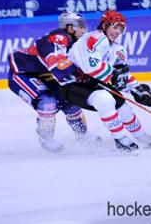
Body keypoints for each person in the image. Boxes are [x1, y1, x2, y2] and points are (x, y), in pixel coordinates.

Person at [62, 11, 151, 151]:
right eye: (114, 26)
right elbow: (91, 68)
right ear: (105, 25)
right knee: (105, 99)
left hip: (94, 83)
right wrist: (115, 75)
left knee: (123, 106)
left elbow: (121, 76)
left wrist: (138, 90)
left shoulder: (118, 50)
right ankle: (120, 138)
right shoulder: (94, 38)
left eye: (120, 28)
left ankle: (141, 135)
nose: (117, 31)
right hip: (72, 84)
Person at [8, 12, 100, 153]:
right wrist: (77, 78)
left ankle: (82, 134)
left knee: (71, 100)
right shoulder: (59, 37)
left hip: (46, 75)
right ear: (70, 28)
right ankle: (46, 138)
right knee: (47, 103)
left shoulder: (75, 44)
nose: (84, 29)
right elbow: (56, 64)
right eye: (81, 26)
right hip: (23, 73)